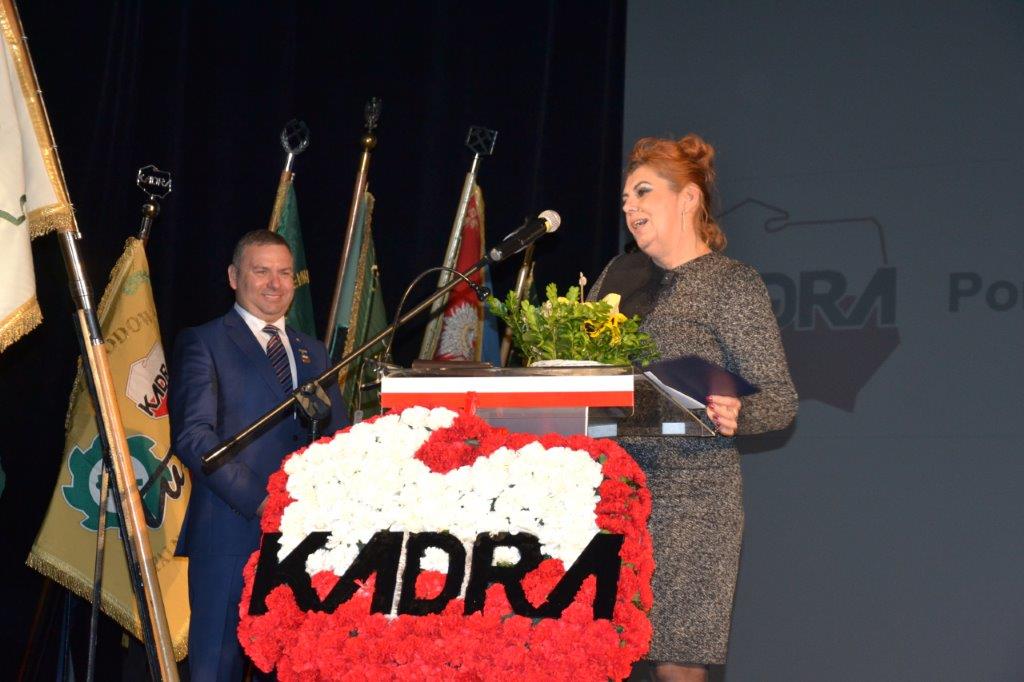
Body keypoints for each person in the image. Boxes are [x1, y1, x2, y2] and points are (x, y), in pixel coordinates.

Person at [590, 136, 797, 682]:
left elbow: (779, 399)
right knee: (594, 653)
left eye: (643, 192)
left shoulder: (731, 284)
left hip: (691, 497)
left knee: (676, 661)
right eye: (625, 198)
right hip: (609, 489)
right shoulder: (616, 276)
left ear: (687, 198)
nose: (629, 207)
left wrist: (740, 413)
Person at [170, 230, 346, 681]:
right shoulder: (204, 342)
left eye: (284, 273)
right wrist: (262, 499)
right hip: (231, 532)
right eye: (261, 271)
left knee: (296, 668)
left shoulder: (314, 351)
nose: (275, 283)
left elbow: (340, 438)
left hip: (306, 539)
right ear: (234, 276)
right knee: (216, 668)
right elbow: (193, 437)